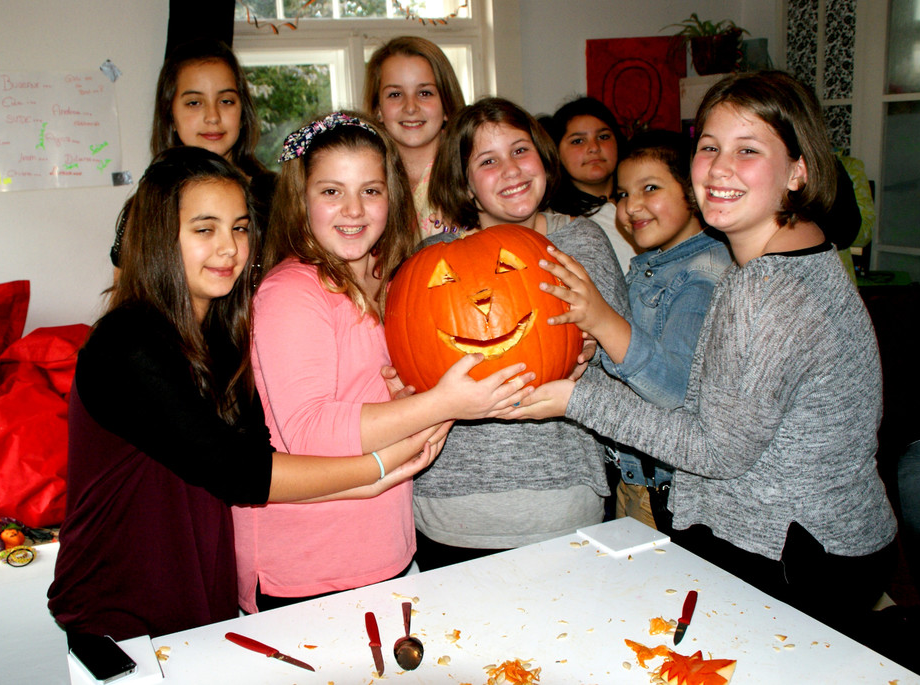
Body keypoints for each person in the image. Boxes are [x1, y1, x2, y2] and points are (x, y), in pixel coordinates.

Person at [510, 71, 897, 634]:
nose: (719, 169)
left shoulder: (764, 290)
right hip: (831, 534)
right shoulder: (801, 253)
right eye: (710, 147)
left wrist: (575, 400)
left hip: (794, 553)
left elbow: (715, 450)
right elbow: (717, 402)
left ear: (798, 170)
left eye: (748, 150)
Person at [48, 147, 447, 642]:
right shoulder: (128, 343)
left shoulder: (220, 334)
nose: (229, 248)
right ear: (158, 236)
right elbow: (238, 471)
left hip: (199, 599)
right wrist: (376, 470)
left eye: (239, 228)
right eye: (205, 229)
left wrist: (372, 472)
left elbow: (260, 456)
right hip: (118, 606)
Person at [233, 112, 534, 612]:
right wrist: (441, 404)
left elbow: (368, 398)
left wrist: (408, 397)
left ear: (392, 196)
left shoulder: (384, 280)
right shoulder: (292, 292)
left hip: (383, 549)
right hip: (307, 569)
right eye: (332, 191)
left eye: (370, 191)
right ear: (300, 197)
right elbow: (309, 430)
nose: (353, 209)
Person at [410, 97, 629, 570]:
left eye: (519, 150)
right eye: (487, 161)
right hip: (451, 512)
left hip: (562, 504)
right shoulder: (430, 261)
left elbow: (627, 369)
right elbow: (415, 368)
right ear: (464, 183)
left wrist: (595, 353)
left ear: (543, 158)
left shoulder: (581, 243)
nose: (510, 170)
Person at [596, 130, 732, 531]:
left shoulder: (701, 277)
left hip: (664, 490)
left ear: (693, 191)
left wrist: (602, 321)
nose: (631, 206)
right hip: (633, 475)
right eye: (623, 194)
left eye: (650, 188)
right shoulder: (652, 266)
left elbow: (674, 388)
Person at [110, 38, 276, 267]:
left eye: (226, 101)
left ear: (243, 113)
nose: (213, 116)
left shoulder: (278, 197)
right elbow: (126, 285)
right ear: (170, 115)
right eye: (194, 103)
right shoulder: (147, 204)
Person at [364, 36, 465, 240]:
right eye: (395, 94)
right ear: (378, 109)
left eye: (425, 93)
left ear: (446, 104)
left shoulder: (471, 174)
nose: (410, 107)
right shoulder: (363, 180)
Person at [545, 96, 637, 271]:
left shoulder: (645, 201)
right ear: (556, 151)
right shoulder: (559, 225)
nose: (594, 147)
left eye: (603, 137)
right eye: (578, 141)